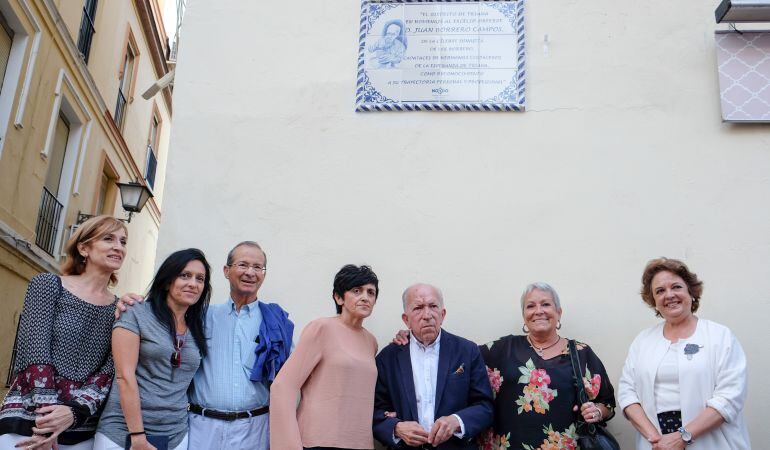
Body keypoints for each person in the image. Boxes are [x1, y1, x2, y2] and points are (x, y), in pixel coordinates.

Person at [118, 241, 293, 450]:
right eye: (243, 265)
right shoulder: (199, 317)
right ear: (227, 271)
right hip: (201, 428)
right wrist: (128, 302)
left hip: (254, 428)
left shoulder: (275, 322)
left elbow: (290, 379)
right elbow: (162, 315)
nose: (250, 272)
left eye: (258, 267)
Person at [0, 215, 127, 450]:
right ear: (84, 247)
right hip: (28, 423)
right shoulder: (48, 285)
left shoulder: (121, 310)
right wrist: (48, 422)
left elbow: (109, 372)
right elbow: (34, 354)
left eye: (123, 241)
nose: (118, 247)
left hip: (80, 429)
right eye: (108, 239)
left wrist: (73, 413)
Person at [618, 257, 750, 449]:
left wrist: (682, 437)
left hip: (711, 442)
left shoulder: (720, 336)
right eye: (660, 291)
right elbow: (627, 393)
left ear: (691, 292)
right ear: (654, 301)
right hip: (656, 443)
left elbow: (730, 397)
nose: (669, 295)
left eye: (676, 287)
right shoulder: (643, 341)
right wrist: (655, 438)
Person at [94, 248, 212, 450]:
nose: (193, 284)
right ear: (167, 281)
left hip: (175, 435)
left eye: (200, 279)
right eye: (185, 275)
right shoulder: (136, 313)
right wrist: (138, 436)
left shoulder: (199, 326)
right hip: (123, 434)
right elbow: (124, 377)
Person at [479, 282, 616, 450]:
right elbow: (465, 360)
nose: (538, 311)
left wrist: (596, 411)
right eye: (530, 306)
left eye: (546, 304)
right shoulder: (502, 350)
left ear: (559, 313)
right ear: (524, 315)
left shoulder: (581, 353)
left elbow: (608, 404)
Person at [270, 264, 380, 450]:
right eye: (356, 291)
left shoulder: (371, 342)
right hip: (318, 442)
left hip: (360, 444)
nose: (365, 297)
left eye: (371, 292)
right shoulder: (321, 329)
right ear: (338, 297)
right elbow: (283, 387)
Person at [373, 283, 493, 449]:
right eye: (418, 308)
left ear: (442, 314)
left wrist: (456, 421)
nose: (427, 315)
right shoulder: (388, 358)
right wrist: (396, 428)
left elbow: (485, 407)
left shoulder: (467, 351)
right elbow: (375, 412)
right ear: (406, 319)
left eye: (433, 306)